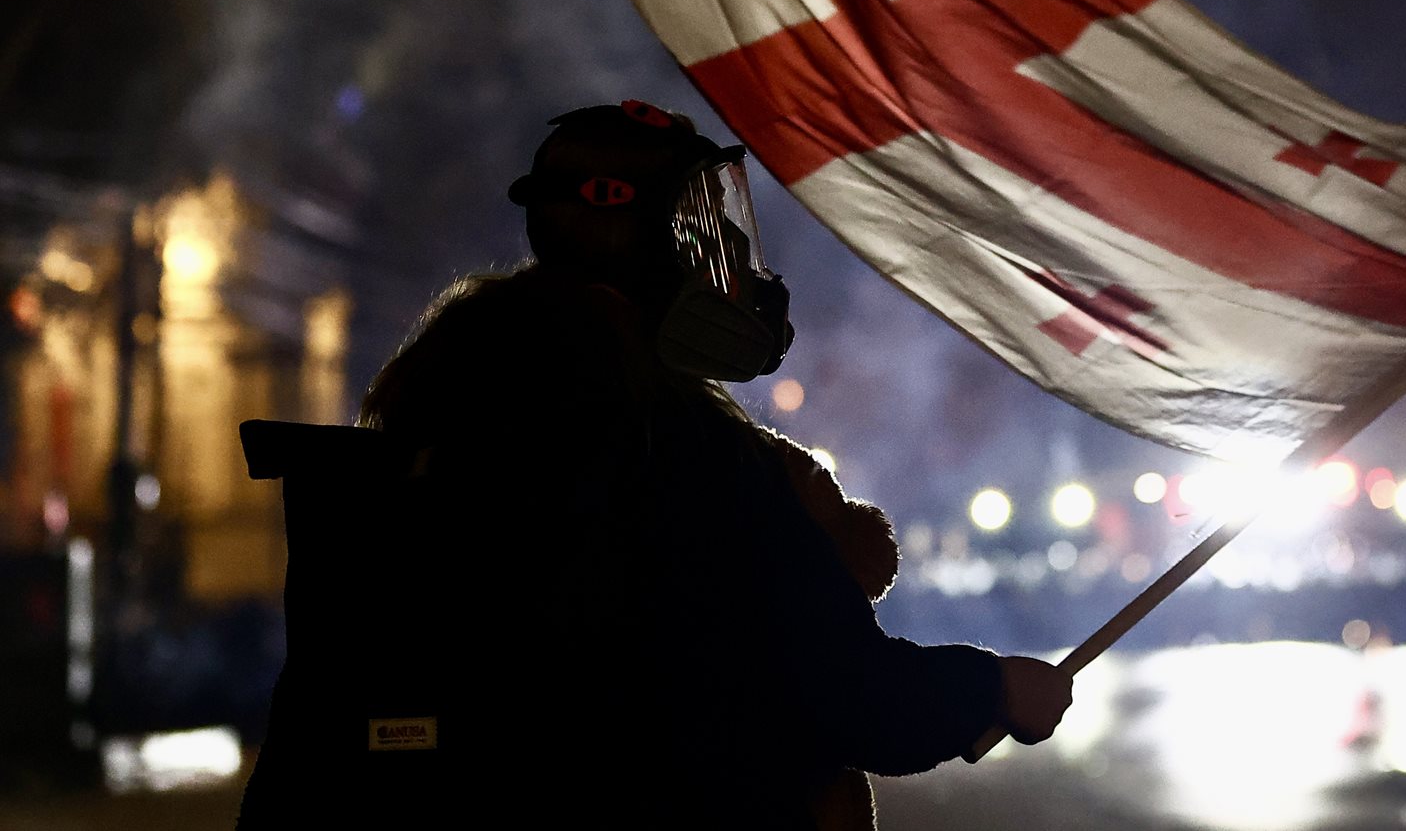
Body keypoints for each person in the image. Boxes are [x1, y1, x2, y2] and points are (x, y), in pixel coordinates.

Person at [237, 101, 1071, 828]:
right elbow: (846, 691)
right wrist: (995, 691)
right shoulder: (673, 448)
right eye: (704, 229)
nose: (730, 263)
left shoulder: (435, 417)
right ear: (647, 244)